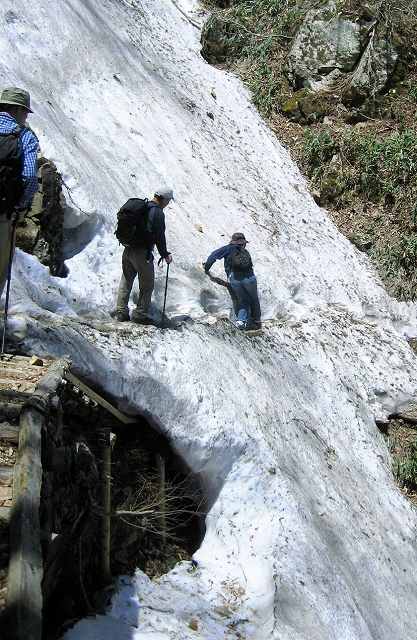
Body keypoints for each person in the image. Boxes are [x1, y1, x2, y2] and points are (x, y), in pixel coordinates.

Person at [113, 187, 174, 324]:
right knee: (147, 285)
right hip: (142, 253)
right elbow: (159, 236)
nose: (168, 203)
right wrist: (165, 254)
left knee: (126, 280)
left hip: (128, 249)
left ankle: (121, 312)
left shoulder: (143, 207)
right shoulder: (157, 212)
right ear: (164, 199)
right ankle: (140, 315)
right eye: (168, 201)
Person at [0, 87, 39, 299]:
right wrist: (20, 207)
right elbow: (29, 176)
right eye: (25, 112)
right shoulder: (24, 136)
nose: (26, 117)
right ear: (16, 110)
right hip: (3, 213)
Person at [204, 232, 261, 330]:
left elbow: (212, 256)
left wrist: (206, 268)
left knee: (243, 300)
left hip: (235, 279)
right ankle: (256, 322)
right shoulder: (244, 251)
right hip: (250, 278)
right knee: (254, 298)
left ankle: (241, 321)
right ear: (243, 243)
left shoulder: (227, 249)